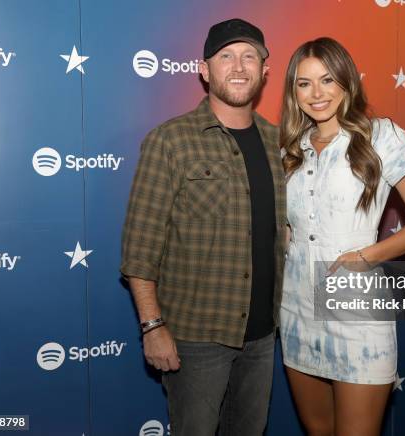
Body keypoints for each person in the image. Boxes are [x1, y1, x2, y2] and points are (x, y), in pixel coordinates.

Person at [120, 18, 286, 436]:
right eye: (226, 56)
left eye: (250, 56)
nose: (239, 66)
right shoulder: (170, 141)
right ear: (204, 69)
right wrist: (153, 327)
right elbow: (140, 249)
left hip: (263, 336)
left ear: (266, 71)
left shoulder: (278, 142)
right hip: (196, 338)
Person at [279, 37, 405, 436]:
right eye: (304, 83)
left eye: (327, 80)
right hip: (297, 309)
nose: (317, 93)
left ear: (347, 82)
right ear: (293, 91)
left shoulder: (380, 136)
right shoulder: (289, 148)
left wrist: (368, 256)